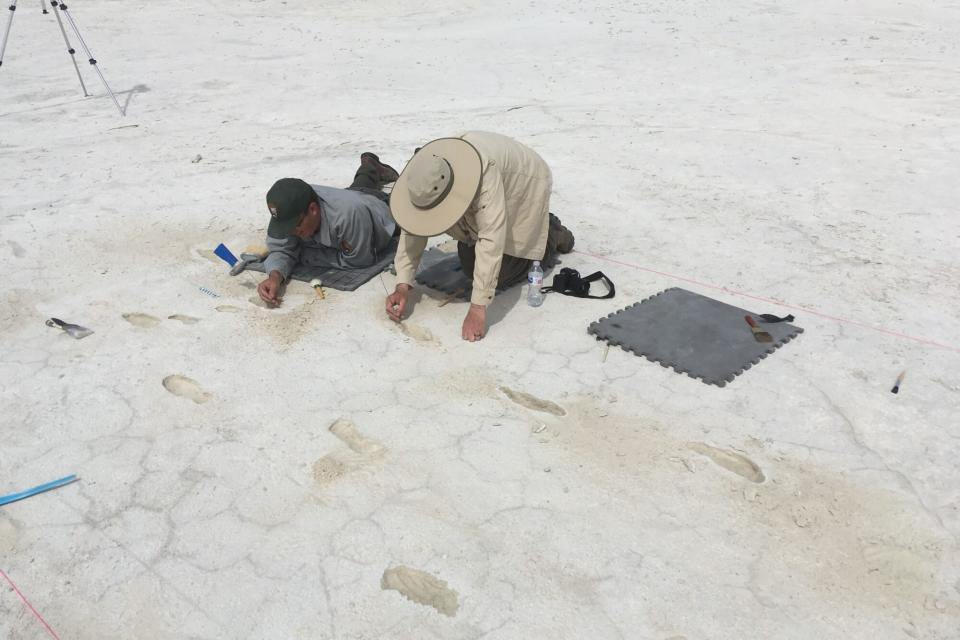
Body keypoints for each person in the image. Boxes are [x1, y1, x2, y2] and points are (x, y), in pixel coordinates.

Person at [385, 131, 574, 341]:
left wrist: (478, 308)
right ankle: (539, 229)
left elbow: (491, 237)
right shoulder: (426, 173)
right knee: (470, 265)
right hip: (498, 181)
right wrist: (402, 285)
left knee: (501, 273)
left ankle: (550, 233)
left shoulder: (483, 176)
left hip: (526, 179)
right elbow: (414, 226)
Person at [257, 153, 400, 306]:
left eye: (295, 226)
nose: (291, 232)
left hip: (380, 211)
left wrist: (304, 255)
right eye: (286, 226)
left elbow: (359, 260)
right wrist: (275, 276)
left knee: (411, 200)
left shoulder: (348, 216)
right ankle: (370, 166)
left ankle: (422, 163)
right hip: (351, 195)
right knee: (359, 187)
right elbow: (281, 249)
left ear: (312, 210)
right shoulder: (290, 208)